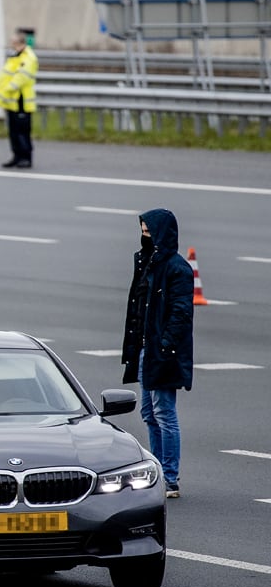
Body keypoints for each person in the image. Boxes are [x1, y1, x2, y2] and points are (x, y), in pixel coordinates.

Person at [120, 208, 193, 499]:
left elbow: (181, 313)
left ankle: (170, 478)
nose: (144, 236)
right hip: (144, 350)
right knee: (149, 414)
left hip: (162, 352)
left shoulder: (177, 268)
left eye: (149, 232)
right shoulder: (145, 262)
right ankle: (160, 472)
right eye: (142, 231)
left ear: (163, 234)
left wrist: (164, 345)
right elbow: (138, 308)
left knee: (164, 413)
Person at [0, 28, 38, 169]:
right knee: (13, 131)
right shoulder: (15, 56)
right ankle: (16, 156)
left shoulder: (28, 57)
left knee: (22, 131)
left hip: (21, 100)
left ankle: (26, 157)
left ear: (19, 42)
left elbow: (21, 78)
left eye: (13, 41)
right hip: (12, 101)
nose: (11, 43)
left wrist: (7, 89)